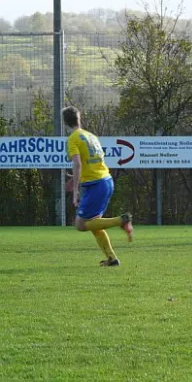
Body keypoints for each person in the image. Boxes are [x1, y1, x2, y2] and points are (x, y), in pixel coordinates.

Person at [63, 106, 134, 266]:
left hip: (96, 184)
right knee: (94, 223)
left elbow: (77, 163)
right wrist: (76, 177)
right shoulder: (90, 136)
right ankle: (112, 258)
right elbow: (90, 162)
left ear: (65, 122)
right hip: (105, 180)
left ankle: (120, 221)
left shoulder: (74, 138)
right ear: (79, 119)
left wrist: (75, 191)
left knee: (81, 225)